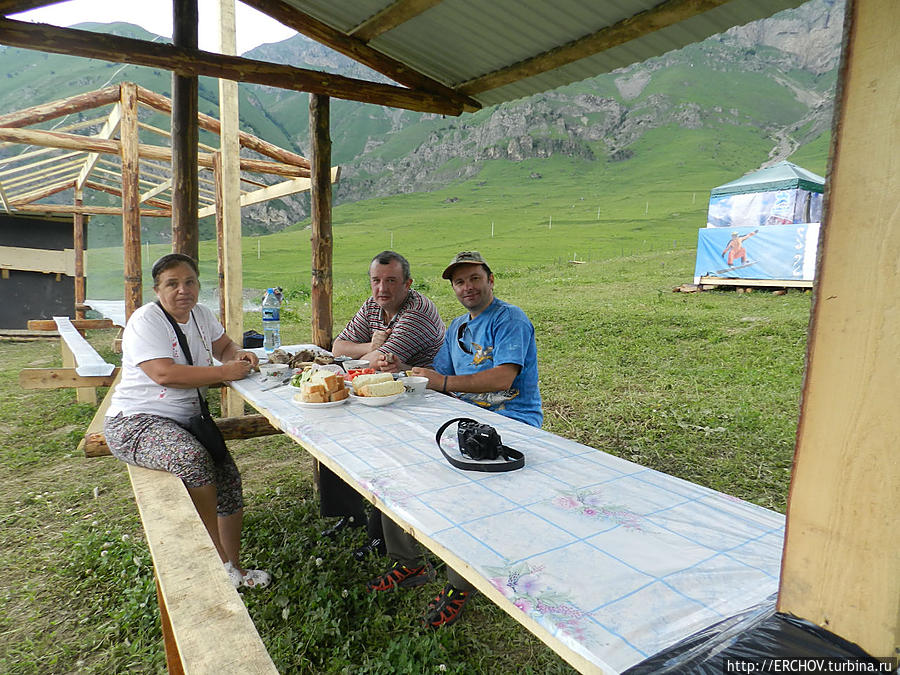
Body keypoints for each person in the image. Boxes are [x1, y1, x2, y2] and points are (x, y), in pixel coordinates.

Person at [366, 250, 542, 629]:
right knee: (395, 462)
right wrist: (403, 369)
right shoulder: (458, 327)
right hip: (466, 421)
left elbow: (501, 380)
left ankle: (460, 582)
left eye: (474, 278)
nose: (468, 287)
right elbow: (436, 375)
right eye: (460, 282)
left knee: (463, 494)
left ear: (490, 280)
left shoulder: (510, 319)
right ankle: (408, 562)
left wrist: (441, 382)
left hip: (512, 423)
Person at [103, 253, 269, 589]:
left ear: (198, 284)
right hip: (136, 423)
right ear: (157, 290)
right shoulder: (146, 321)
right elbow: (163, 374)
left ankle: (234, 568)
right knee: (191, 459)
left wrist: (239, 355)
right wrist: (224, 371)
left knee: (228, 478)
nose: (183, 290)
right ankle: (215, 564)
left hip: (188, 422)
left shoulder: (201, 316)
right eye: (172, 284)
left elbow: (224, 346)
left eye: (189, 282)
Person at [320, 251, 446, 553]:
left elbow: (374, 363)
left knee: (383, 455)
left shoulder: (417, 311)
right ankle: (350, 513)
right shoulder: (373, 305)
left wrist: (365, 353)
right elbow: (339, 346)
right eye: (376, 281)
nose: (382, 289)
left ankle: (380, 535)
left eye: (391, 281)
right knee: (330, 426)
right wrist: (369, 345)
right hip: (382, 393)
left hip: (424, 400)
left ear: (408, 284)